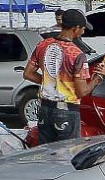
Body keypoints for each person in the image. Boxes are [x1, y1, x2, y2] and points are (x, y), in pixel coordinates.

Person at [24, 9, 93, 144]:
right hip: (66, 111)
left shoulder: (43, 45)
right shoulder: (77, 54)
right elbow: (82, 91)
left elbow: (27, 73)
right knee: (68, 152)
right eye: (83, 28)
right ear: (75, 28)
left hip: (44, 109)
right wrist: (98, 78)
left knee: (47, 151)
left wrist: (50, 82)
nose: (83, 32)